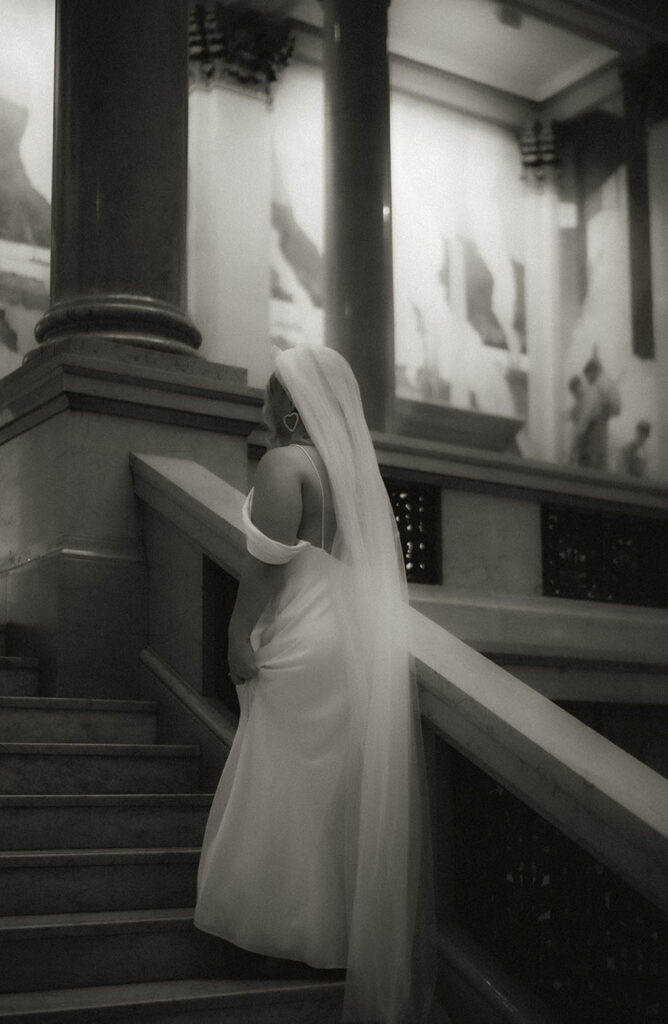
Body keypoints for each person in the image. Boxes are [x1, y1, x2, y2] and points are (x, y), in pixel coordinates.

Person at [194, 344, 435, 1024]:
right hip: (349, 649)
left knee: (280, 783)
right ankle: (325, 938)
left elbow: (266, 566)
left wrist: (237, 634)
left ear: (293, 412)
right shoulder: (360, 482)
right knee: (327, 792)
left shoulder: (285, 466)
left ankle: (272, 937)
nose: (262, 413)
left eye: (270, 402)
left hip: (300, 638)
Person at [570, 356, 621, 470]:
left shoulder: (593, 390)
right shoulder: (607, 385)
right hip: (600, 440)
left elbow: (583, 423)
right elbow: (617, 410)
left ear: (592, 372)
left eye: (587, 376)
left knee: (590, 470)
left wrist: (574, 447)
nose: (587, 380)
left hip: (591, 441)